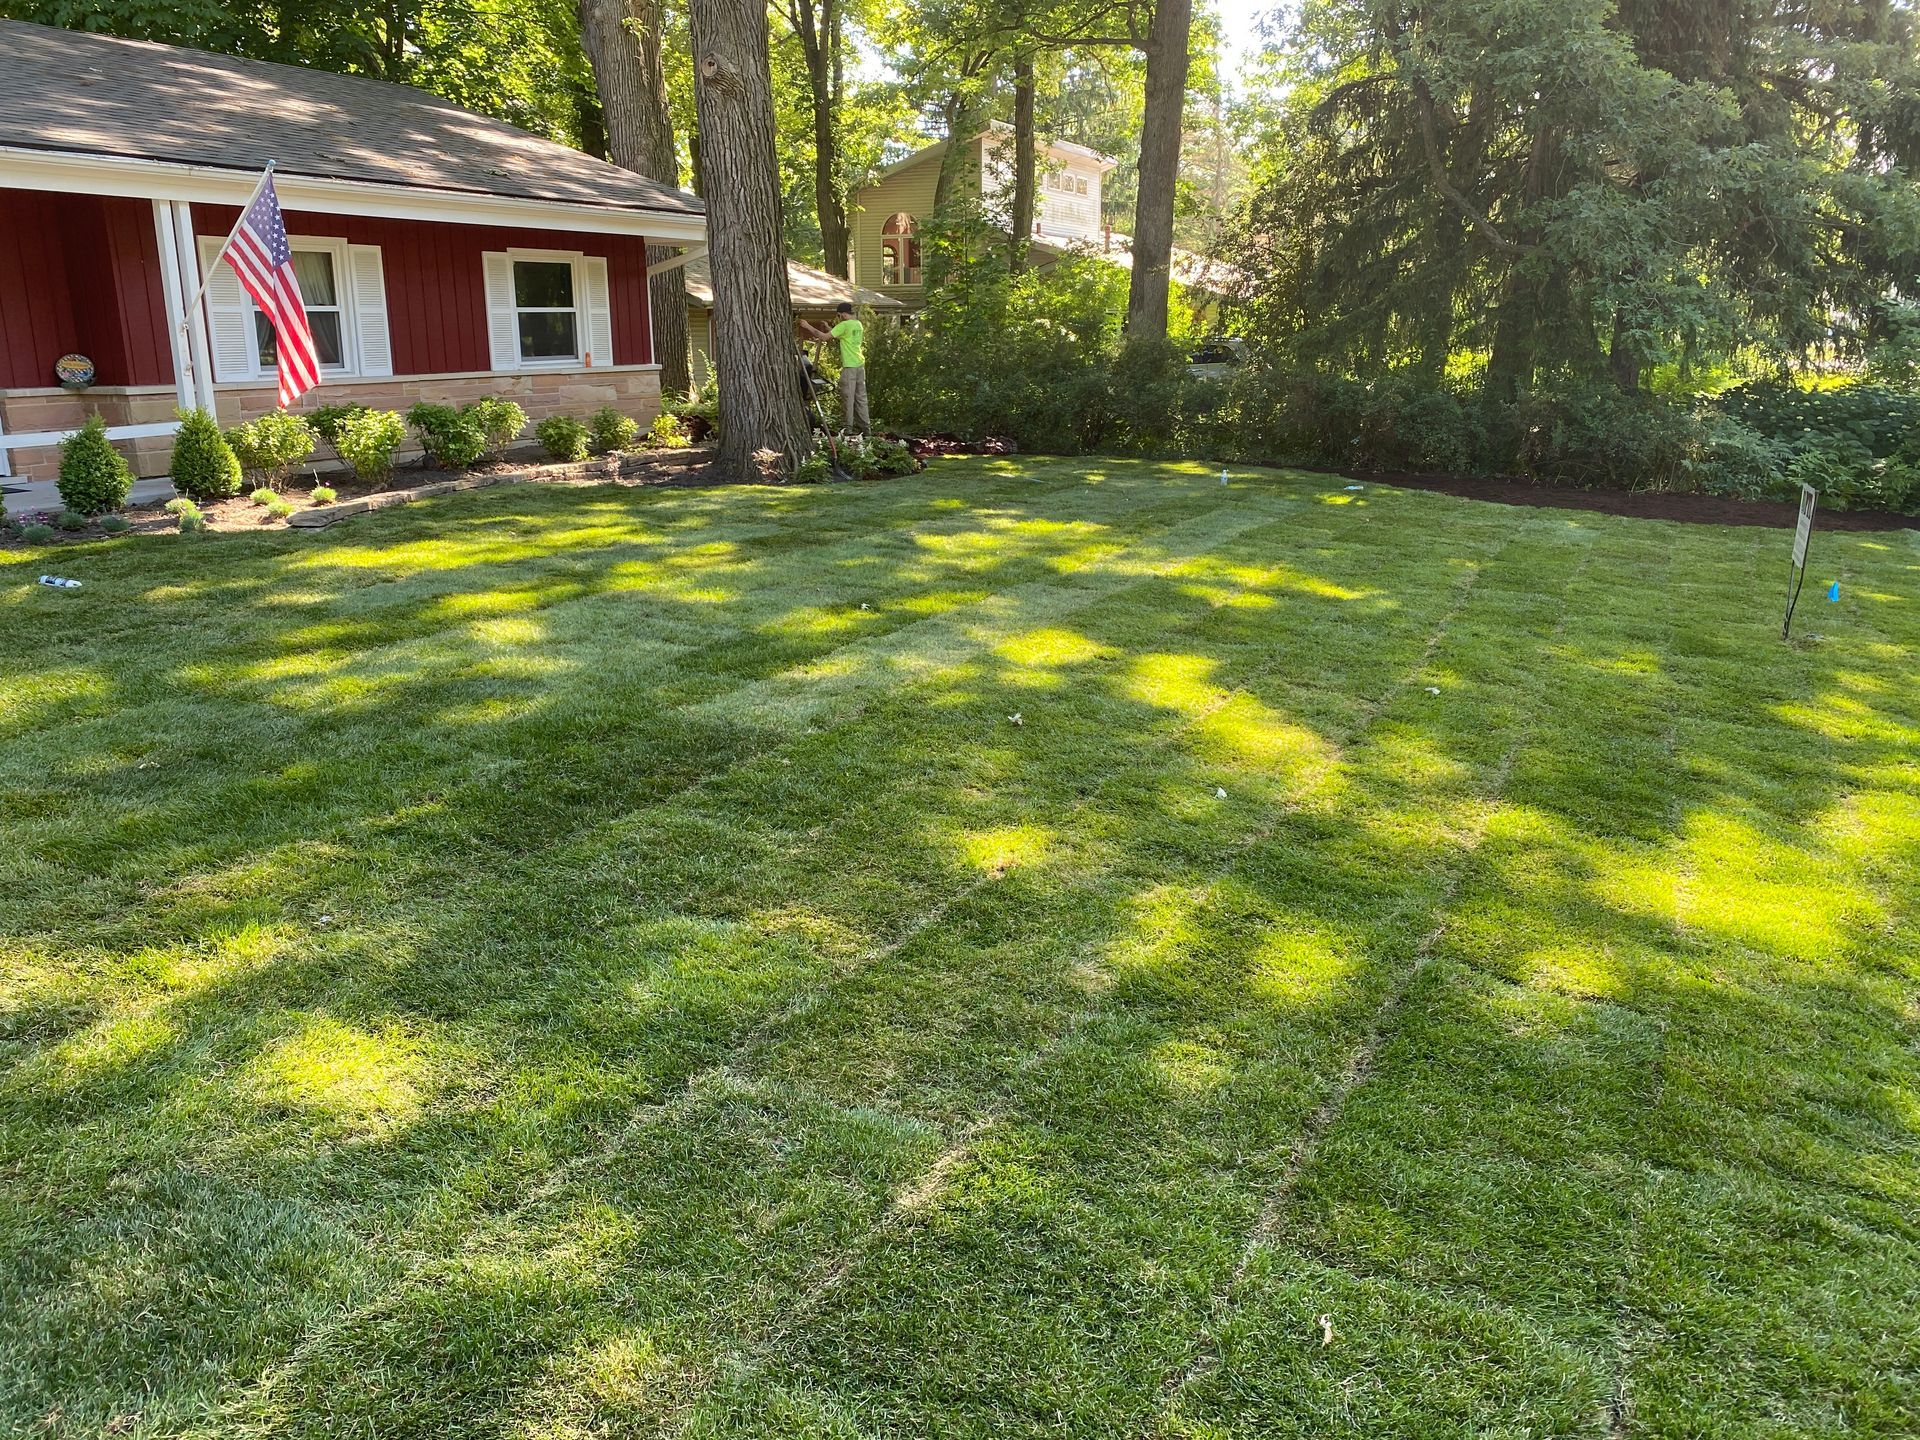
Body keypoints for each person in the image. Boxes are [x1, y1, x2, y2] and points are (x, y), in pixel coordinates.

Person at [803, 302, 868, 436]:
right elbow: (843, 335)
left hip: (849, 366)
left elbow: (823, 337)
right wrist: (829, 327)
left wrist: (806, 325)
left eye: (839, 315)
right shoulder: (857, 324)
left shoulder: (844, 325)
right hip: (860, 365)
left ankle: (848, 430)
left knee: (848, 398)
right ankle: (866, 429)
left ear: (843, 314)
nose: (839, 317)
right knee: (861, 398)